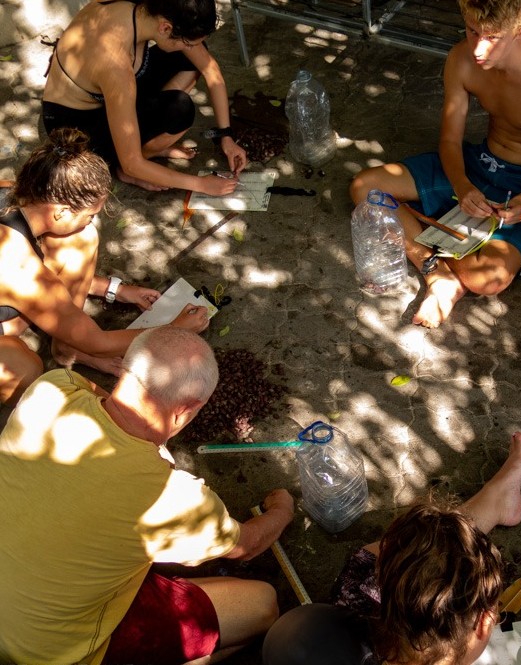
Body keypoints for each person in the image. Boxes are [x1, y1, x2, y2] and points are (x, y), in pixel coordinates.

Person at [0, 326, 296, 665]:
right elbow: (248, 545)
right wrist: (282, 508)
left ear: (126, 368)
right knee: (261, 604)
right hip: (43, 653)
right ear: (186, 411)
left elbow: (98, 397)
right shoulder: (171, 498)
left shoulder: (52, 388)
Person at [349, 0, 521, 328]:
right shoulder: (461, 58)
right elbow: (449, 141)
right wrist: (462, 184)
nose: (478, 47)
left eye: (492, 37)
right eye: (472, 31)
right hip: (478, 163)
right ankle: (437, 273)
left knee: (486, 281)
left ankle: (425, 224)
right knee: (364, 187)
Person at [263, 432, 521, 665]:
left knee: (401, 554)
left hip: (300, 640)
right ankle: (495, 500)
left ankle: (496, 500)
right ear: (485, 623)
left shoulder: (342, 614)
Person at [0, 128, 209, 405]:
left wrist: (118, 290)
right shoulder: (21, 267)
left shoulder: (12, 190)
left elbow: (43, 289)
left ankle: (65, 344)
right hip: (13, 303)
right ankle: (67, 344)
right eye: (90, 215)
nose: (91, 221)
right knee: (25, 369)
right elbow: (95, 341)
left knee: (80, 238)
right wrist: (173, 330)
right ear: (61, 211)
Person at [42, 0, 247, 194]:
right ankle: (125, 164)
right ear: (166, 28)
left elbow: (210, 70)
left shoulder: (148, 9)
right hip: (74, 127)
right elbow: (133, 163)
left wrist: (225, 136)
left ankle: (146, 145)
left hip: (107, 94)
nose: (191, 47)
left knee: (189, 59)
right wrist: (201, 184)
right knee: (179, 110)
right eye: (187, 42)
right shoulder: (116, 64)